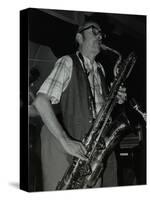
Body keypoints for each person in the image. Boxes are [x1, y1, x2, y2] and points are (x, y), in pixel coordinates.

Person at [33, 19, 127, 191]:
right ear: (79, 37)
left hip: (102, 148)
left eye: (101, 33)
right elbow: (40, 101)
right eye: (94, 31)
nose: (100, 36)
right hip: (82, 150)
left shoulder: (100, 69)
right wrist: (65, 140)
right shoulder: (67, 62)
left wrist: (116, 98)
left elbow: (100, 110)